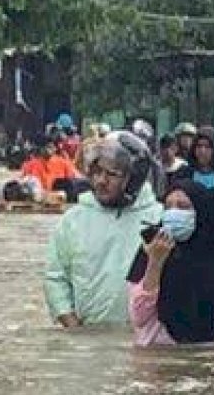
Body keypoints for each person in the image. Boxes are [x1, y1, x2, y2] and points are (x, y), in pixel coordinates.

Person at [44, 131, 163, 328]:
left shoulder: (158, 219)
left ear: (133, 179)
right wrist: (71, 324)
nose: (101, 181)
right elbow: (55, 278)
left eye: (112, 174)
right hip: (87, 345)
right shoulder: (73, 221)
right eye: (97, 172)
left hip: (142, 343)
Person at [127, 179, 214, 346]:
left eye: (182, 206)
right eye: (168, 207)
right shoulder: (150, 248)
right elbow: (139, 316)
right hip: (158, 360)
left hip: (205, 355)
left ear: (201, 211)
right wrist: (156, 262)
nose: (174, 212)